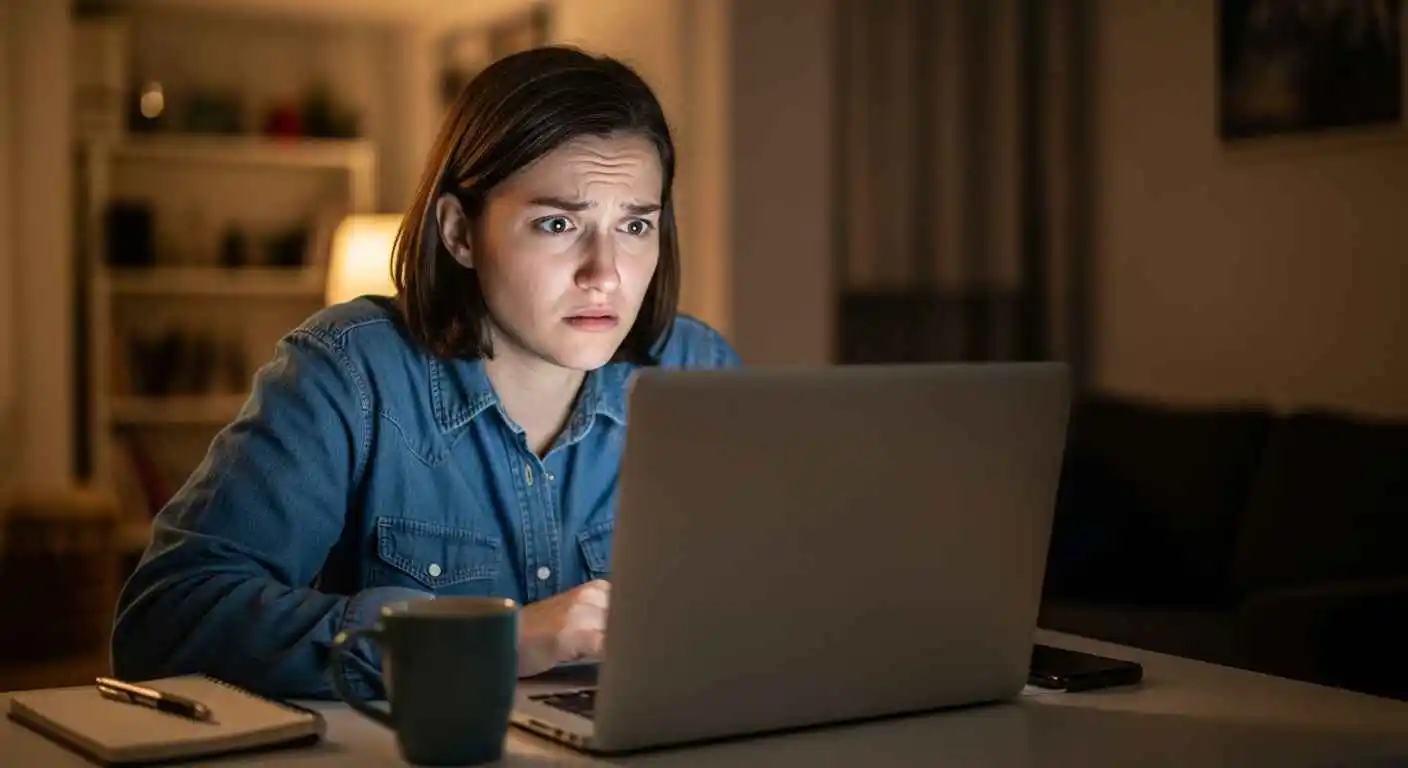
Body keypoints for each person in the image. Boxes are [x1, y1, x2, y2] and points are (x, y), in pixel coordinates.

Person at [111, 46, 741, 700]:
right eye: (558, 223)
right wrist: (483, 640)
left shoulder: (695, 371)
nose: (605, 273)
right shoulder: (349, 372)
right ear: (459, 232)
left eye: (635, 224)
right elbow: (166, 620)